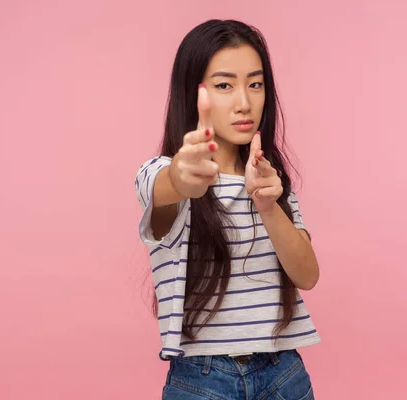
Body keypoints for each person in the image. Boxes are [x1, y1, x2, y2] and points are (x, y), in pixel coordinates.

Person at [135, 19, 321, 400]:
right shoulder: (159, 172)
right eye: (224, 85)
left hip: (283, 372)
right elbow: (170, 185)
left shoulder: (271, 179)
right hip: (203, 380)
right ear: (194, 93)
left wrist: (269, 206)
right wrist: (184, 177)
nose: (244, 102)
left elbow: (307, 275)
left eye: (255, 84)